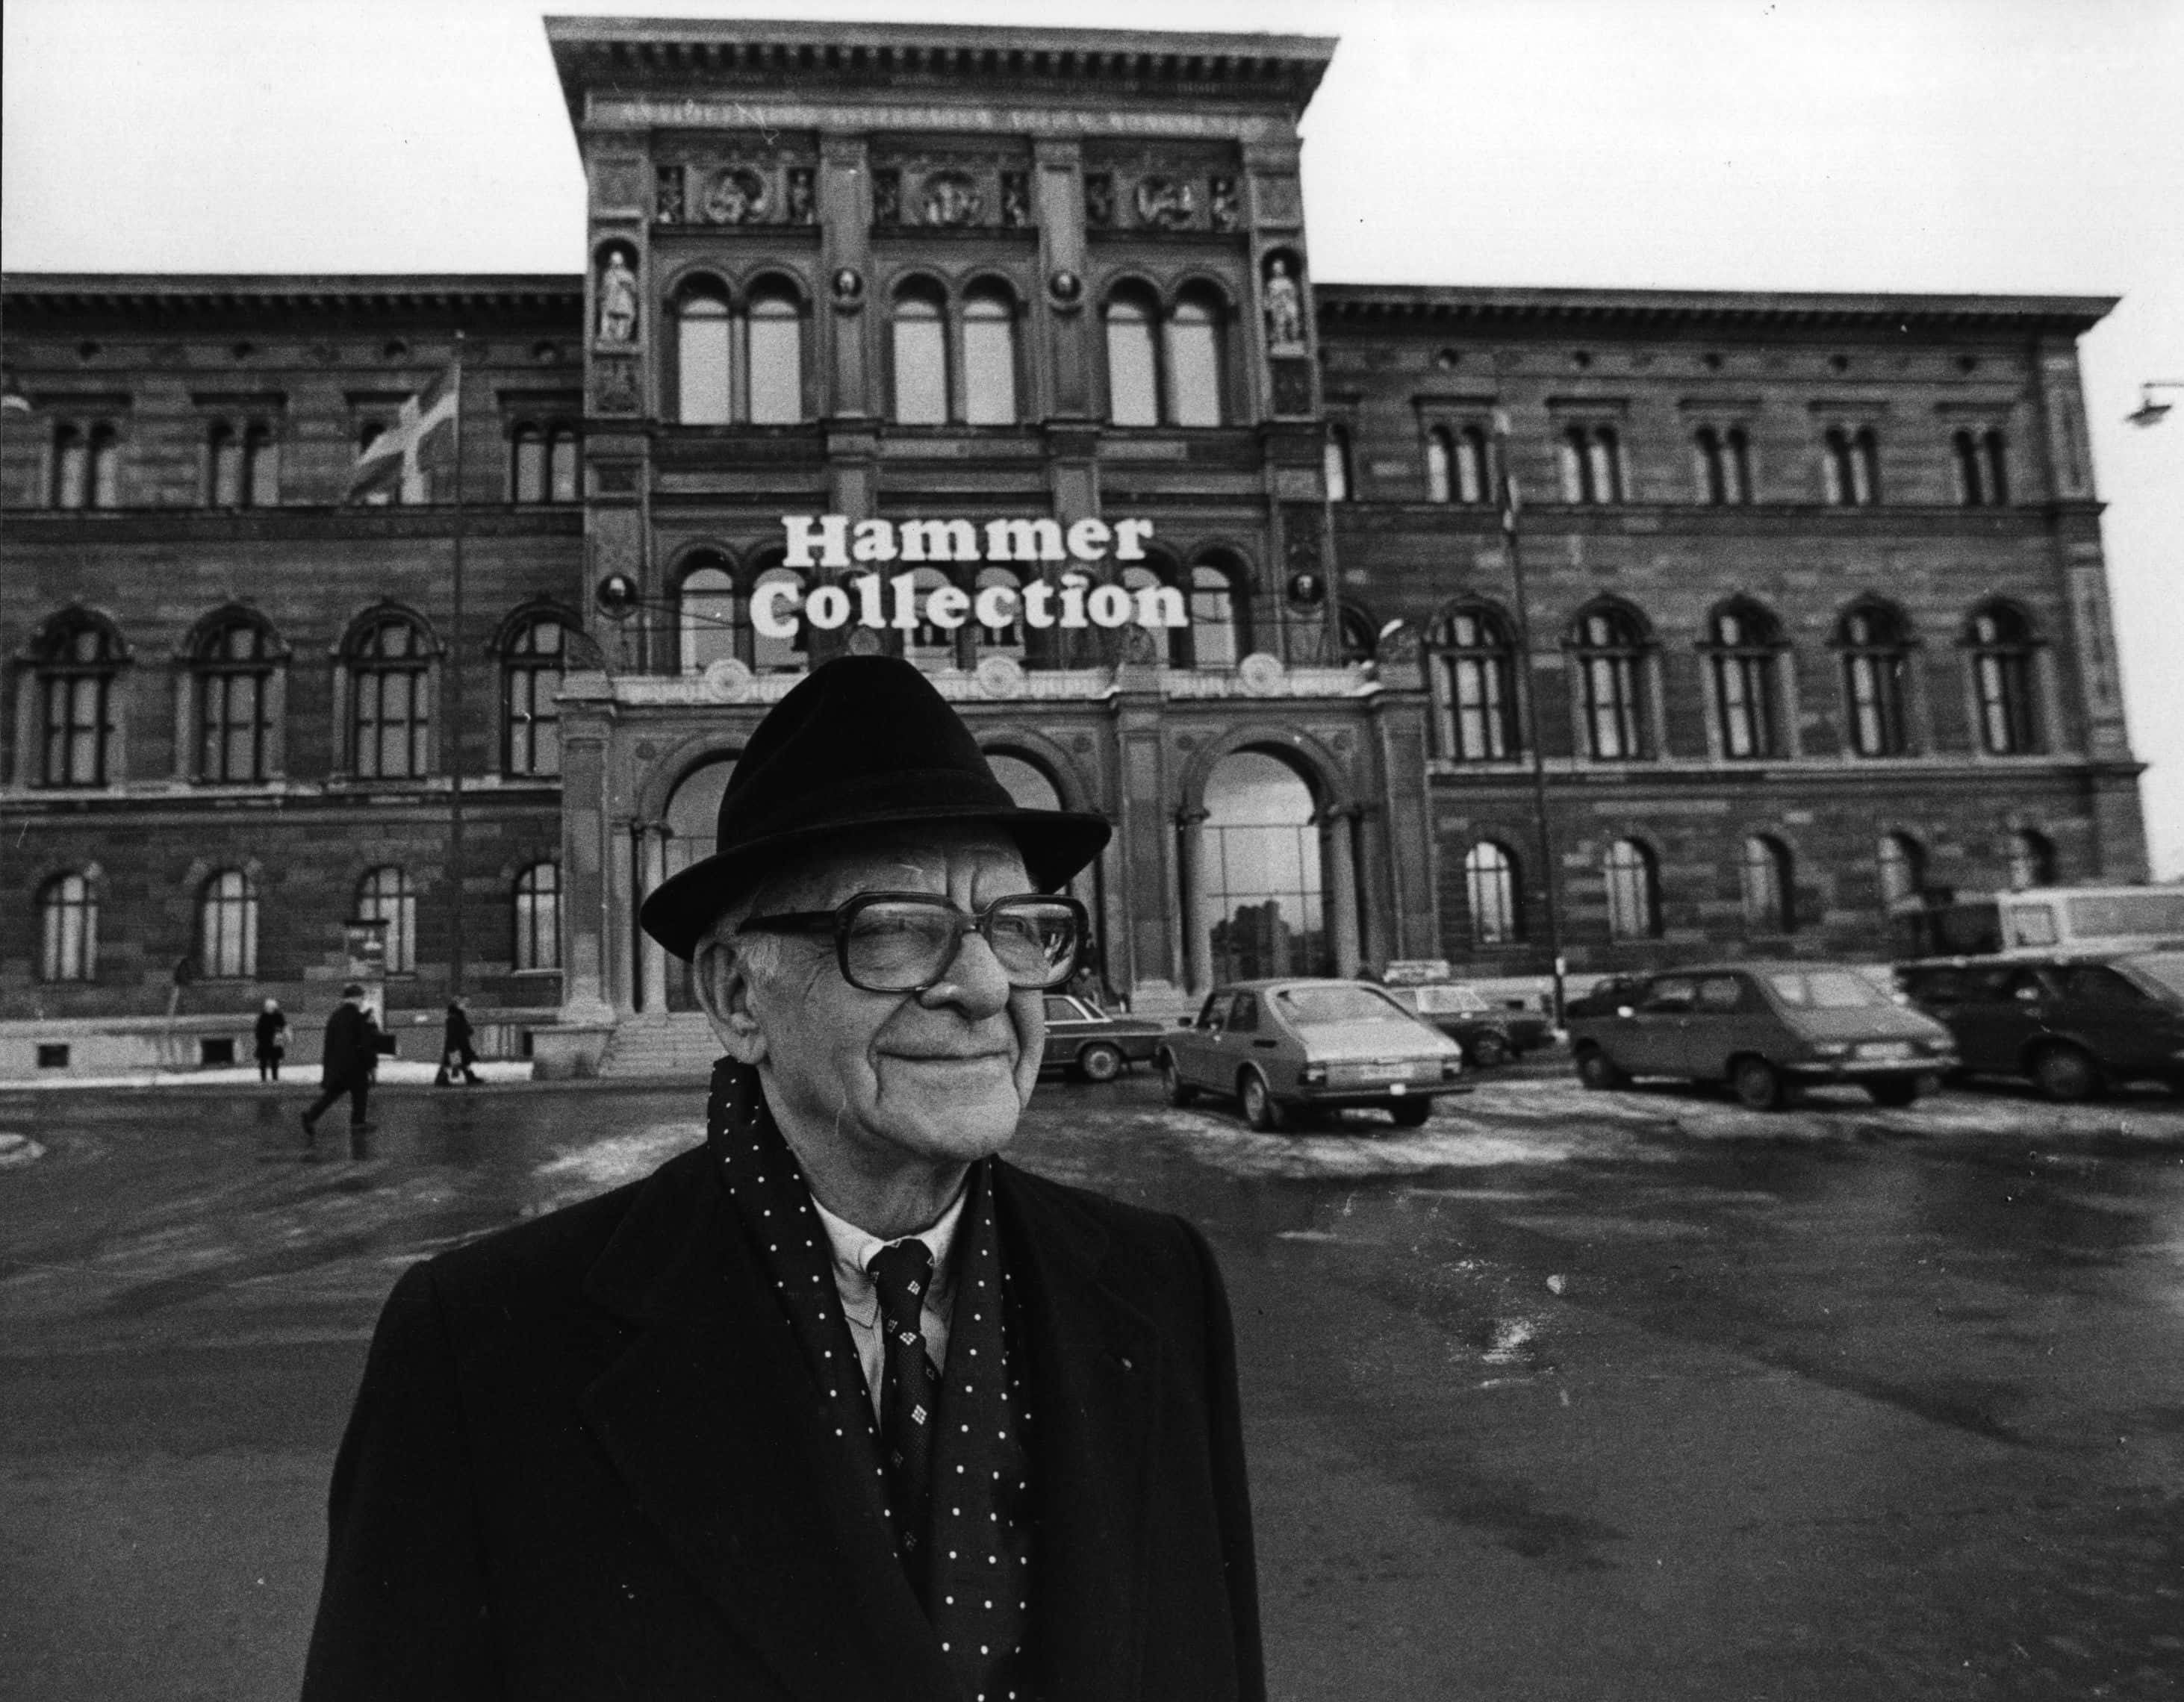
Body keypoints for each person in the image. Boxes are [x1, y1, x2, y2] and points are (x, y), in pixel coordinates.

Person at [304, 656, 1263, 1701]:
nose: (987, 987)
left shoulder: (1159, 1288)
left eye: (1022, 929)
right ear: (736, 995)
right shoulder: (483, 1348)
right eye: (895, 930)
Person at [302, 985, 379, 1146]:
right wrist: (371, 1066)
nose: (362, 1002)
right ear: (356, 998)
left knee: (332, 1094)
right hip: (355, 1066)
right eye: (362, 998)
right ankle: (358, 1122)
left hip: (338, 1066)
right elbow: (365, 1043)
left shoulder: (336, 1016)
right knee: (361, 1091)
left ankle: (311, 1115)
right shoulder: (356, 1017)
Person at [434, 996, 480, 1087]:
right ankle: (442, 1079)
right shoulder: (455, 1017)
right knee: (454, 1062)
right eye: (463, 1004)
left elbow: (463, 1029)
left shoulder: (457, 1016)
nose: (465, 1006)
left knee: (461, 1062)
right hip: (456, 1044)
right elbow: (455, 1033)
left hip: (458, 1044)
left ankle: (469, 1078)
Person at [253, 998, 287, 1082]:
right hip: (264, 1041)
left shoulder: (277, 1016)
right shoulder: (263, 1016)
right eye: (268, 1007)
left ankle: (274, 1078)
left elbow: (283, 1027)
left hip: (274, 1041)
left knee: (274, 1061)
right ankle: (264, 1078)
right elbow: (258, 1029)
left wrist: (282, 1036)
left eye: (271, 1007)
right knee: (264, 1061)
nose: (269, 1008)